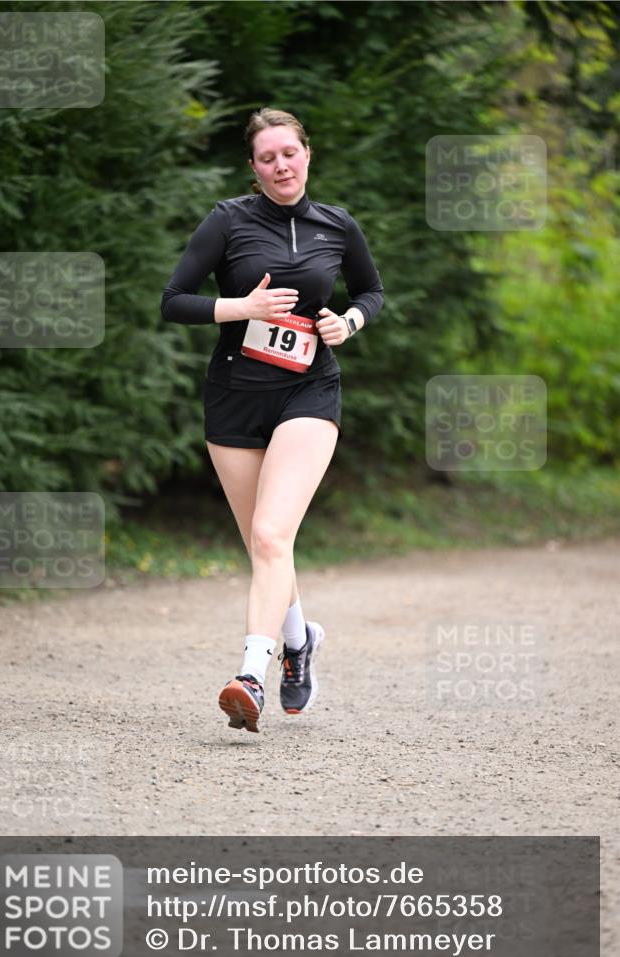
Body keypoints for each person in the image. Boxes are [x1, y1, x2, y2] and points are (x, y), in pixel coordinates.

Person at [161, 107, 383, 733]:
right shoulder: (227, 221)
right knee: (265, 544)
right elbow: (173, 300)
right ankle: (300, 640)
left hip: (307, 394)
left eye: (289, 153)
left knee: (269, 537)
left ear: (307, 154)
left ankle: (252, 672)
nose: (281, 165)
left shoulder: (337, 226)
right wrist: (242, 307)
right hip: (234, 399)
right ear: (253, 169)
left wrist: (349, 322)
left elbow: (371, 291)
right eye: (267, 158)